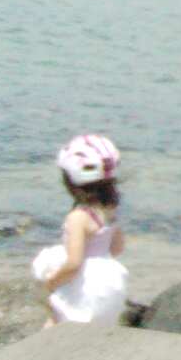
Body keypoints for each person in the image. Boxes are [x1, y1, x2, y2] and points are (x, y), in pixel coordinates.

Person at [30, 130, 130, 327]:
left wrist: (51, 284)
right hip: (111, 281)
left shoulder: (78, 217)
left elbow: (74, 264)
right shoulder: (109, 209)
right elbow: (117, 248)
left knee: (56, 320)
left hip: (86, 287)